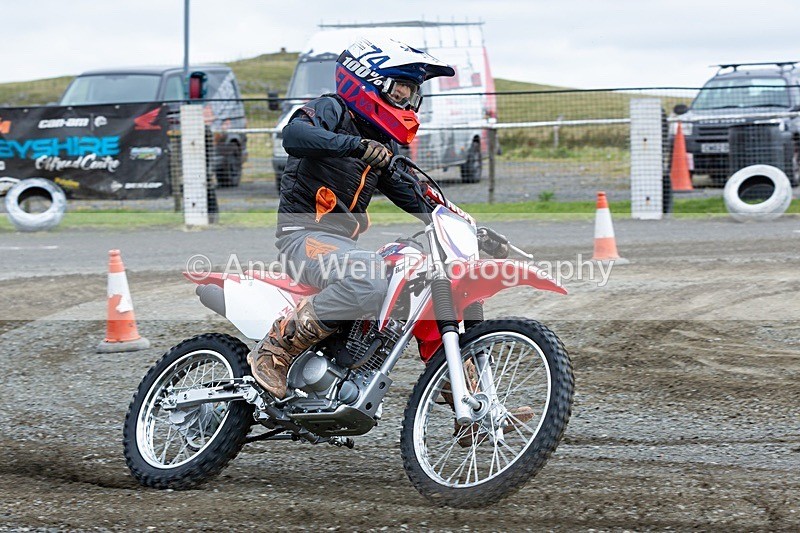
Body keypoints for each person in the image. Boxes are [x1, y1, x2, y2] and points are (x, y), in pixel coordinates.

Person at [248, 37, 455, 399]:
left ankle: (466, 395)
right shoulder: (332, 109)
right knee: (368, 277)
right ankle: (276, 348)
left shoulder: (383, 144)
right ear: (367, 80)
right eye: (399, 89)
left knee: (430, 277)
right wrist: (355, 146)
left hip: (341, 246)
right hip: (302, 238)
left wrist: (456, 222)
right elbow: (293, 135)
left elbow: (410, 193)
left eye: (411, 93)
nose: (406, 100)